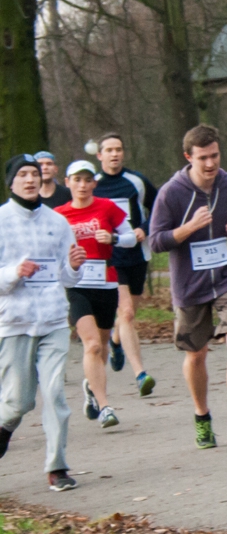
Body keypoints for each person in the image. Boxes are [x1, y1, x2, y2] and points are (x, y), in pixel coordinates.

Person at [149, 124, 227, 450]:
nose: (210, 164)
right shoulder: (171, 193)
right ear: (189, 157)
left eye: (214, 156)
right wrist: (188, 229)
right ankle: (202, 417)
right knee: (196, 354)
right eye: (203, 158)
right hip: (190, 285)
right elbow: (156, 241)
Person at [0, 155, 87, 490]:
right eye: (22, 174)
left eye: (34, 174)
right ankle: (5, 427)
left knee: (54, 394)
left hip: (52, 319)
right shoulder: (3, 220)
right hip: (15, 321)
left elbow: (67, 278)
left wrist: (75, 265)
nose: (29, 179)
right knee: (18, 402)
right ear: (11, 182)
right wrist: (13, 272)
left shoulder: (57, 221)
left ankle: (57, 467)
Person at [56, 159, 137, 429]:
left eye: (87, 180)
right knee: (90, 344)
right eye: (76, 180)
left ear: (94, 183)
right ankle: (105, 407)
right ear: (67, 183)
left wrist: (112, 239)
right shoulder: (58, 215)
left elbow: (131, 237)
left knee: (101, 348)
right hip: (75, 285)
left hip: (105, 283)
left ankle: (91, 387)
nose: (82, 185)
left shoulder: (107, 207)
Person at [94, 132, 157, 396]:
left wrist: (144, 228)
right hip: (110, 258)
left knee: (128, 315)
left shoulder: (136, 181)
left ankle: (116, 340)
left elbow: (159, 207)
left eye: (118, 149)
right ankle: (140, 374)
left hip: (136, 255)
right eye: (109, 150)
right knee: (127, 312)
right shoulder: (93, 185)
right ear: (100, 155)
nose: (114, 154)